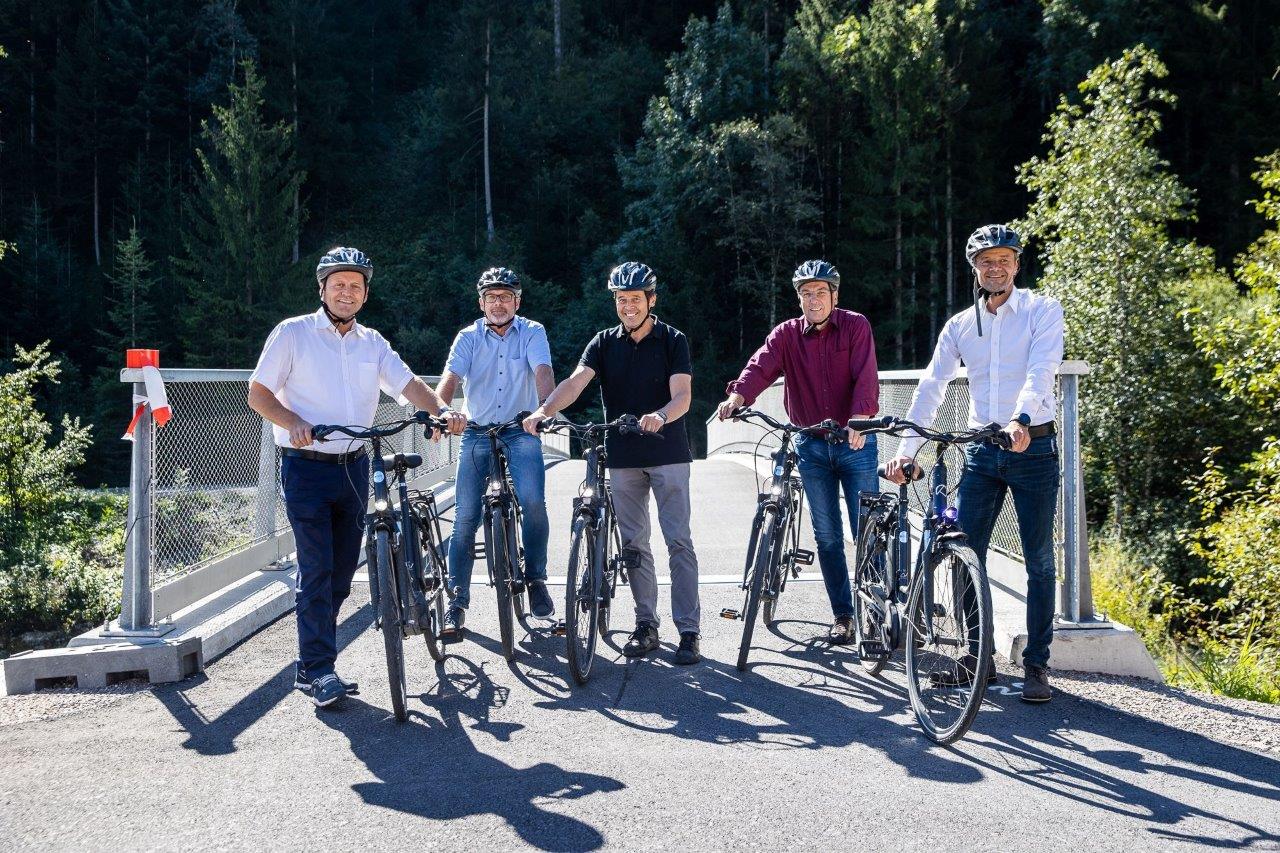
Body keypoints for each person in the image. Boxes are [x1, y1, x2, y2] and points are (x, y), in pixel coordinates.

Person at [248, 247, 465, 709]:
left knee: (345, 572)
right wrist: (292, 422)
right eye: (338, 284)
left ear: (365, 294)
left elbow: (408, 385)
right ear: (322, 288)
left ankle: (311, 663)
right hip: (305, 466)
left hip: (354, 465)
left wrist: (441, 410)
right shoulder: (293, 334)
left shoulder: (372, 342)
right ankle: (320, 669)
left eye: (355, 286)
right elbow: (259, 393)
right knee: (316, 568)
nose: (346, 292)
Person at [884, 224, 1064, 703]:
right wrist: (906, 449)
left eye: (1003, 259)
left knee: (1039, 559)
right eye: (986, 261)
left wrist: (1022, 418)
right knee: (967, 553)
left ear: (1017, 264)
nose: (995, 268)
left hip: (1032, 448)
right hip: (982, 452)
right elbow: (930, 386)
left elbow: (1041, 370)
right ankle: (975, 655)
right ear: (975, 269)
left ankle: (1036, 665)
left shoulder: (1042, 311)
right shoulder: (961, 325)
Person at [522, 262, 702, 665]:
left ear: (650, 301)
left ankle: (688, 631)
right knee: (635, 544)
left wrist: (660, 415)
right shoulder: (603, 343)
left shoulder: (673, 340)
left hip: (668, 453)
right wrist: (544, 410)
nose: (628, 306)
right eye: (622, 300)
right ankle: (646, 625)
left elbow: (683, 396)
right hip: (623, 458)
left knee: (678, 541)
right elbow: (577, 380)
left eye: (635, 299)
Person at [716, 260, 880, 645]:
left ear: (834, 296)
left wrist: (860, 418)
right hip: (811, 445)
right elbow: (762, 365)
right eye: (806, 294)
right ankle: (844, 615)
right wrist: (739, 394)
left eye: (821, 292)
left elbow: (866, 374)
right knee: (827, 537)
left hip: (854, 441)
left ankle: (876, 612)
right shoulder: (787, 334)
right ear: (799, 298)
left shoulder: (856, 325)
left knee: (867, 533)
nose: (814, 299)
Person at [436, 267, 556, 637]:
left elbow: (543, 371)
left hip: (521, 429)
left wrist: (545, 409)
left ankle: (535, 578)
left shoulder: (532, 331)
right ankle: (456, 603)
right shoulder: (468, 337)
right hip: (476, 431)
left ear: (517, 302)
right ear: (481, 302)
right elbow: (451, 379)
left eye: (506, 297)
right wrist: (439, 412)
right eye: (491, 297)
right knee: (465, 517)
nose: (498, 303)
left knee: (533, 501)